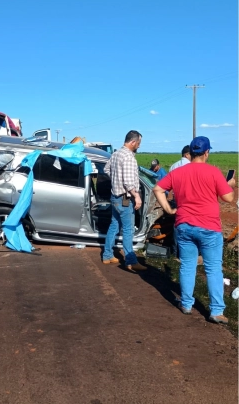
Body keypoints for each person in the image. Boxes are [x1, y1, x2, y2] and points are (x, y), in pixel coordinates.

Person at [153, 137, 236, 323]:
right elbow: (229, 198)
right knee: (214, 268)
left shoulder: (178, 172)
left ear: (191, 153)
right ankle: (216, 311)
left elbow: (158, 189)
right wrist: (229, 184)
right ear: (207, 152)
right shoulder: (213, 172)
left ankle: (187, 304)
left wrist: (168, 209)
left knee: (187, 265)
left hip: (184, 225)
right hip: (209, 227)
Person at [101, 130, 146, 272]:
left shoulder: (115, 154)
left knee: (114, 226)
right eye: (138, 143)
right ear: (133, 142)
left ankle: (107, 255)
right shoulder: (128, 157)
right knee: (128, 230)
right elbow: (128, 183)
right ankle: (131, 261)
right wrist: (137, 196)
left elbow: (106, 169)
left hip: (115, 196)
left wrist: (116, 180)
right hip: (125, 198)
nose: (138, 146)